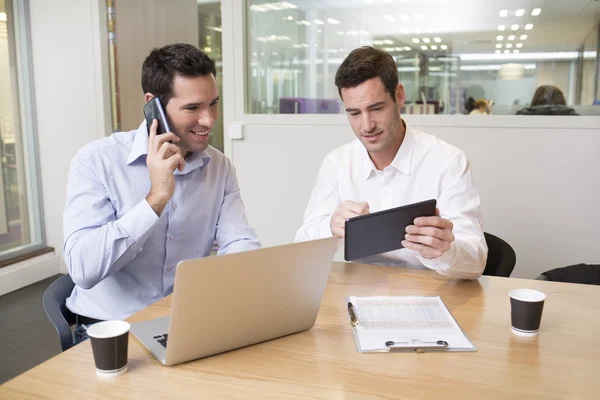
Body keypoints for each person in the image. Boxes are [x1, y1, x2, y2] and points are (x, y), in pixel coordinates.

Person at [63, 44, 260, 343]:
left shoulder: (219, 167)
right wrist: (155, 199)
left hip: (183, 323)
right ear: (153, 105)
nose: (208, 120)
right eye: (193, 108)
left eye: (213, 104)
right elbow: (83, 270)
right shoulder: (96, 161)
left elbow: (238, 242)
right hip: (108, 330)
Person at [295, 47, 487, 280]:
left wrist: (444, 251)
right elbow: (301, 248)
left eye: (376, 109)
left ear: (399, 96)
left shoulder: (447, 162)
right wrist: (331, 228)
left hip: (429, 294)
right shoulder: (337, 163)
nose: (366, 125)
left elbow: (476, 262)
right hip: (358, 294)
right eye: (354, 113)